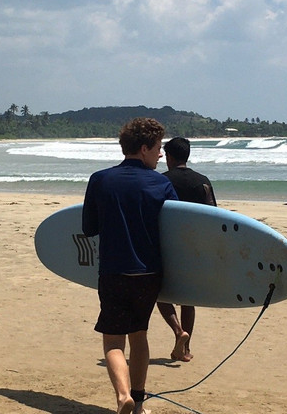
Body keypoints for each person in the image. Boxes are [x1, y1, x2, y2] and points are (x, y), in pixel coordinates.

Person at [82, 118, 178, 414]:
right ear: (144, 148)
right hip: (149, 275)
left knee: (113, 342)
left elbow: (88, 227)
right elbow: (175, 232)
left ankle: (122, 395)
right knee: (140, 337)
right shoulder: (162, 183)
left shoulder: (100, 180)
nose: (161, 155)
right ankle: (137, 404)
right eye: (159, 148)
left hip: (113, 272)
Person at [155, 136, 216, 362]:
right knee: (188, 299)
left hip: (165, 246)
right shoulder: (203, 181)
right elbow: (213, 215)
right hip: (194, 248)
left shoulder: (160, 181)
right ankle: (186, 349)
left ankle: (178, 331)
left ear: (169, 157)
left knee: (159, 293)